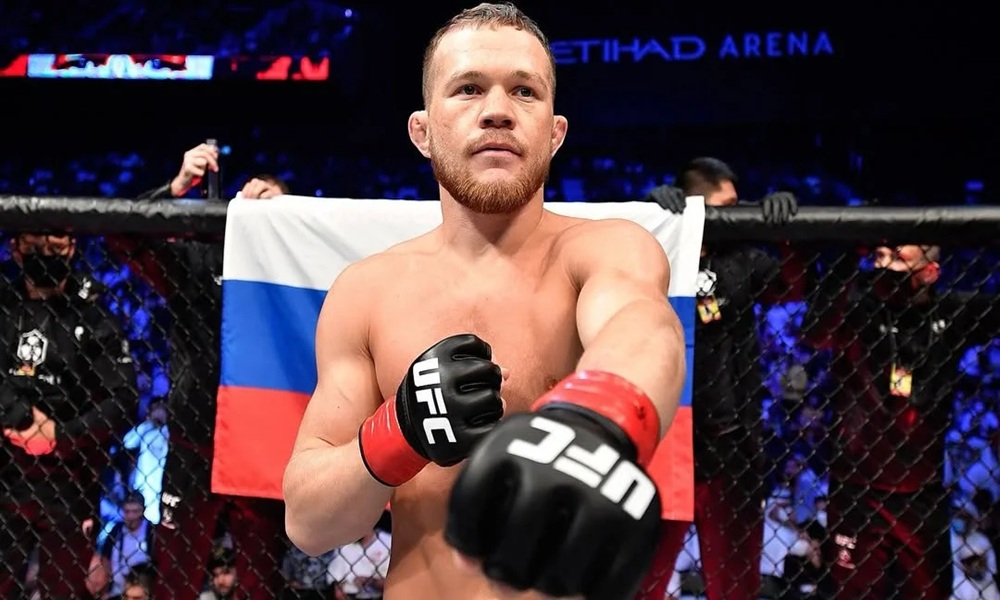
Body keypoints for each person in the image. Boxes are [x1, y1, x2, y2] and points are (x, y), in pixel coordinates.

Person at [283, 3, 687, 599]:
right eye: (468, 88)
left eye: (525, 91)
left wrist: (589, 425)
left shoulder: (605, 250)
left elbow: (642, 327)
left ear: (555, 133)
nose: (497, 110)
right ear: (422, 132)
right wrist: (399, 433)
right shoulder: (365, 291)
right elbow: (310, 525)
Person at [107, 148, 290, 598]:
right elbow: (121, 236)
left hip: (262, 443)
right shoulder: (198, 259)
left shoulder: (296, 272)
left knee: (261, 580)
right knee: (176, 576)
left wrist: (284, 208)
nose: (258, 208)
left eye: (271, 203)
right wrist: (175, 187)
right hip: (194, 442)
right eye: (251, 200)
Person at [637, 158, 799, 600]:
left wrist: (790, 233)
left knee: (735, 583)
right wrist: (646, 217)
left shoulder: (742, 258)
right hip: (666, 440)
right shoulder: (652, 254)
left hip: (732, 443)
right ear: (695, 206)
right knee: (641, 579)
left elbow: (794, 288)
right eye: (728, 207)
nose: (737, 215)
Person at [802, 243, 1000, 599]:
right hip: (857, 490)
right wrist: (849, 256)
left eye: (898, 259)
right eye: (879, 256)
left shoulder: (952, 311)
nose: (884, 266)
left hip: (921, 492)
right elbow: (815, 334)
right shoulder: (858, 307)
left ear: (930, 272)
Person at [0, 231, 138, 598]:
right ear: (16, 249)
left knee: (63, 590)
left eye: (55, 248)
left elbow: (124, 398)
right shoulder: (4, 303)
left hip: (71, 479)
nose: (46, 256)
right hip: (5, 470)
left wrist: (61, 435)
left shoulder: (93, 312)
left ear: (72, 248)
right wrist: (20, 416)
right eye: (35, 247)